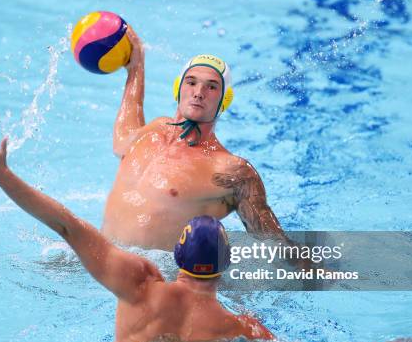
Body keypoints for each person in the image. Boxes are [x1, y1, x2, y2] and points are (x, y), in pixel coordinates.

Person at [0, 138, 274, 342]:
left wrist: (2, 175)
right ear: (225, 264)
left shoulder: (140, 285)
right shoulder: (239, 327)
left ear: (177, 255)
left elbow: (67, 226)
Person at [102, 27, 294, 252]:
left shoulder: (232, 171)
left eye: (211, 87)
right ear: (178, 88)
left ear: (225, 100)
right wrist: (136, 67)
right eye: (191, 82)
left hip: (152, 279)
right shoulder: (152, 132)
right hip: (100, 262)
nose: (199, 92)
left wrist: (312, 268)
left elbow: (275, 243)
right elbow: (122, 139)